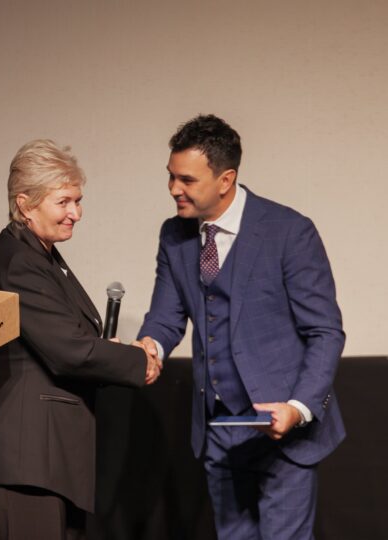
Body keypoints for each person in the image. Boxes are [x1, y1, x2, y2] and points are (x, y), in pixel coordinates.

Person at [138, 114, 345, 539]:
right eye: (171, 176)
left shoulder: (289, 232)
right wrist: (150, 348)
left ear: (225, 179)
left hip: (284, 431)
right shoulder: (174, 236)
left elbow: (325, 332)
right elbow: (166, 315)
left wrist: (298, 408)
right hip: (219, 430)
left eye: (187, 179)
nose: (174, 188)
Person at [0, 139, 159, 540]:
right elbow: (70, 352)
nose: (75, 214)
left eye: (78, 201)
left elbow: (67, 339)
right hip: (25, 460)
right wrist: (140, 362)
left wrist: (115, 352)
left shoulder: (39, 255)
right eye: (63, 202)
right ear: (25, 204)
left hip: (45, 460)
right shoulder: (19, 262)